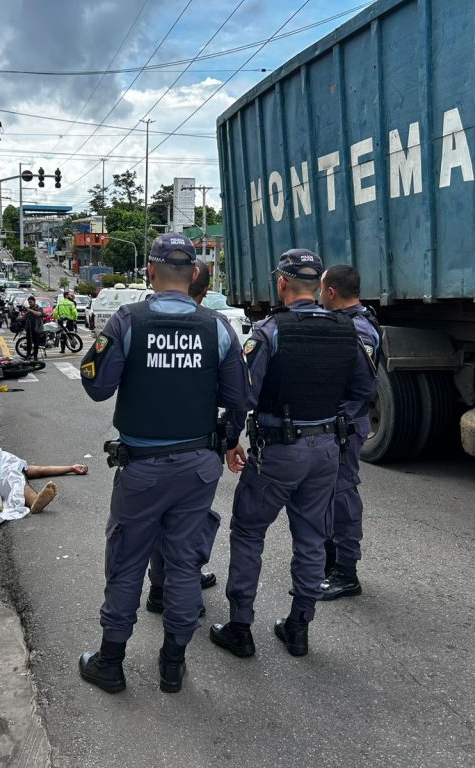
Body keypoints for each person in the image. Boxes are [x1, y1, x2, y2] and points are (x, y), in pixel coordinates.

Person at [77, 233, 250, 695]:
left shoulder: (127, 320)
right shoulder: (217, 327)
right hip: (197, 468)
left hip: (141, 469)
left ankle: (110, 663)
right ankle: (172, 664)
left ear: (150, 272)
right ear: (195, 274)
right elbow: (238, 401)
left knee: (127, 560)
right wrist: (227, 441)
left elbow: (96, 386)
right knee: (183, 563)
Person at [210, 249, 373, 660]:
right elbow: (363, 392)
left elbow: (242, 396)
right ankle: (299, 627)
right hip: (326, 451)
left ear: (281, 283)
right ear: (319, 286)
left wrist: (231, 439)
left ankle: (240, 628)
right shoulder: (348, 330)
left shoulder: (269, 332)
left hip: (277, 451)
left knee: (248, 534)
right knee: (312, 540)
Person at [144, 259, 219, 616]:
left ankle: (161, 588)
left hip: (144, 456)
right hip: (197, 453)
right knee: (188, 528)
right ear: (200, 287)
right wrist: (231, 435)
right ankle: (181, 588)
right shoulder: (215, 328)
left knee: (158, 524)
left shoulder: (135, 321)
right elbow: (239, 397)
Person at [319, 265, 380, 600]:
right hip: (335, 426)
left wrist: (334, 419)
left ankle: (346, 572)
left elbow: (360, 388)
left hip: (343, 428)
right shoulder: (346, 324)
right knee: (327, 495)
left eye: (321, 290)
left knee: (342, 497)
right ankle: (329, 564)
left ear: (331, 292)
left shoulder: (358, 330)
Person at [0, 446, 89, 540]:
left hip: (8, 467)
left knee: (16, 485)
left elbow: (40, 470)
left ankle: (35, 502)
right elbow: (41, 470)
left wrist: (70, 468)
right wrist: (70, 468)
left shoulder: (2, 459)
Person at [22, 295, 44, 360]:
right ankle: (28, 354)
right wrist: (25, 313)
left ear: (34, 301)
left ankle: (35, 356)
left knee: (36, 343)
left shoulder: (39, 308)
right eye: (29, 302)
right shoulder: (28, 308)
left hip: (36, 328)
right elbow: (24, 318)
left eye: (31, 302)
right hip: (29, 328)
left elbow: (39, 314)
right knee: (29, 342)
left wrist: (31, 311)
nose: (30, 303)